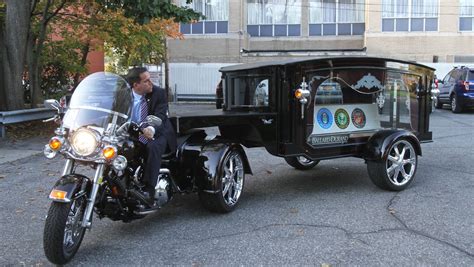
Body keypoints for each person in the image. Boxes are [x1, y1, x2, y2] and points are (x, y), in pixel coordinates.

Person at [126, 67, 177, 203]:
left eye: (150, 79)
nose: (151, 83)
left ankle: (149, 189)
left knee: (152, 147)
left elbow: (159, 115)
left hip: (158, 132)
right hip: (132, 132)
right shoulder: (124, 95)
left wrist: (150, 129)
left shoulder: (158, 93)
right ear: (136, 85)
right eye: (146, 80)